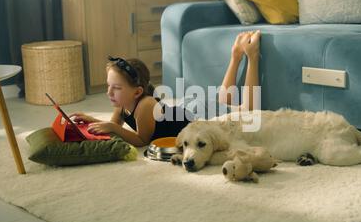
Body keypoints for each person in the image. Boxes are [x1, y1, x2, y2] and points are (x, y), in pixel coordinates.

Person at [70, 30, 261, 147]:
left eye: (116, 88)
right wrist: (92, 121)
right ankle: (235, 56)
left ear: (137, 91)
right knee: (222, 103)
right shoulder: (122, 104)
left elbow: (141, 140)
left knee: (247, 112)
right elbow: (114, 129)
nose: (109, 93)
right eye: (109, 86)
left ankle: (251, 56)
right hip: (188, 109)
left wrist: (112, 127)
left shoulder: (145, 105)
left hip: (196, 116)